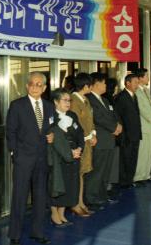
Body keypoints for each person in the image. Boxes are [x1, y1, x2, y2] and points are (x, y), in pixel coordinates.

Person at [6, 72, 54, 245]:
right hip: (23, 159)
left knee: (40, 197)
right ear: (27, 86)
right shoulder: (17, 105)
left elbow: (50, 126)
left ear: (44, 88)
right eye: (32, 84)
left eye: (39, 84)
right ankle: (15, 234)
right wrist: (15, 153)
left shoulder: (49, 107)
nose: (35, 87)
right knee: (19, 197)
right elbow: (10, 132)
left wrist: (51, 135)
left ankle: (38, 232)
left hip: (42, 159)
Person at [85, 73, 122, 210]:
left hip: (109, 140)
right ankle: (91, 198)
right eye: (104, 83)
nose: (106, 85)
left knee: (106, 170)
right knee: (97, 171)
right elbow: (98, 118)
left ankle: (102, 195)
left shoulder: (104, 100)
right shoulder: (88, 100)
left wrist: (117, 125)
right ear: (96, 84)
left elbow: (112, 115)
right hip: (99, 140)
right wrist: (113, 127)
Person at [48, 88, 83, 228]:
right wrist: (69, 152)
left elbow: (80, 133)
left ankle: (62, 213)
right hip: (58, 156)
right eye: (65, 100)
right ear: (56, 102)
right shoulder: (50, 117)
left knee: (69, 185)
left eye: (69, 100)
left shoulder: (72, 115)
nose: (68, 103)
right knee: (56, 184)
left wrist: (79, 148)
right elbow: (53, 139)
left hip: (74, 154)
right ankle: (54, 213)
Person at [69, 73, 96, 216]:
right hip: (79, 143)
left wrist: (93, 133)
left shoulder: (85, 99)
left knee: (83, 173)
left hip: (87, 142)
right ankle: (75, 204)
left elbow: (90, 120)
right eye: (91, 85)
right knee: (77, 174)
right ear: (86, 86)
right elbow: (76, 124)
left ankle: (81, 202)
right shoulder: (74, 101)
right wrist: (88, 136)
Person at [114, 74, 142, 188]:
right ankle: (124, 181)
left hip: (135, 134)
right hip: (126, 136)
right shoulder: (121, 97)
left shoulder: (134, 96)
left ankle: (130, 180)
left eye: (138, 82)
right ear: (128, 83)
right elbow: (118, 117)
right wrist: (122, 136)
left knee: (133, 159)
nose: (137, 85)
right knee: (125, 159)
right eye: (135, 82)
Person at [134, 68, 151, 184]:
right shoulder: (137, 92)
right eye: (146, 76)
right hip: (144, 125)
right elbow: (142, 109)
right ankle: (139, 176)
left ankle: (146, 174)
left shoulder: (146, 90)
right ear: (140, 78)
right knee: (143, 152)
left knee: (149, 151)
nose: (148, 78)